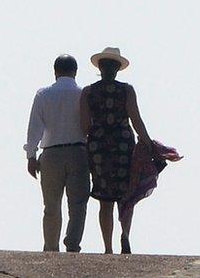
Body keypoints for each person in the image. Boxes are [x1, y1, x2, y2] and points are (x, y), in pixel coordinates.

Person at [79, 47, 153, 254]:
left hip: (99, 146)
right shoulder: (126, 90)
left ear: (100, 68)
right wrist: (147, 142)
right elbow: (136, 119)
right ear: (117, 70)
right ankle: (125, 234)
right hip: (123, 144)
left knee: (104, 199)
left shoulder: (88, 92)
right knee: (125, 195)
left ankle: (108, 248)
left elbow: (84, 126)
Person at [24, 54, 90, 253]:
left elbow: (34, 127)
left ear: (55, 71)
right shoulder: (83, 94)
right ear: (75, 72)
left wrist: (31, 156)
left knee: (51, 206)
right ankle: (72, 244)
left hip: (51, 154)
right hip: (78, 152)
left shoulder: (43, 94)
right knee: (77, 205)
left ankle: (51, 248)